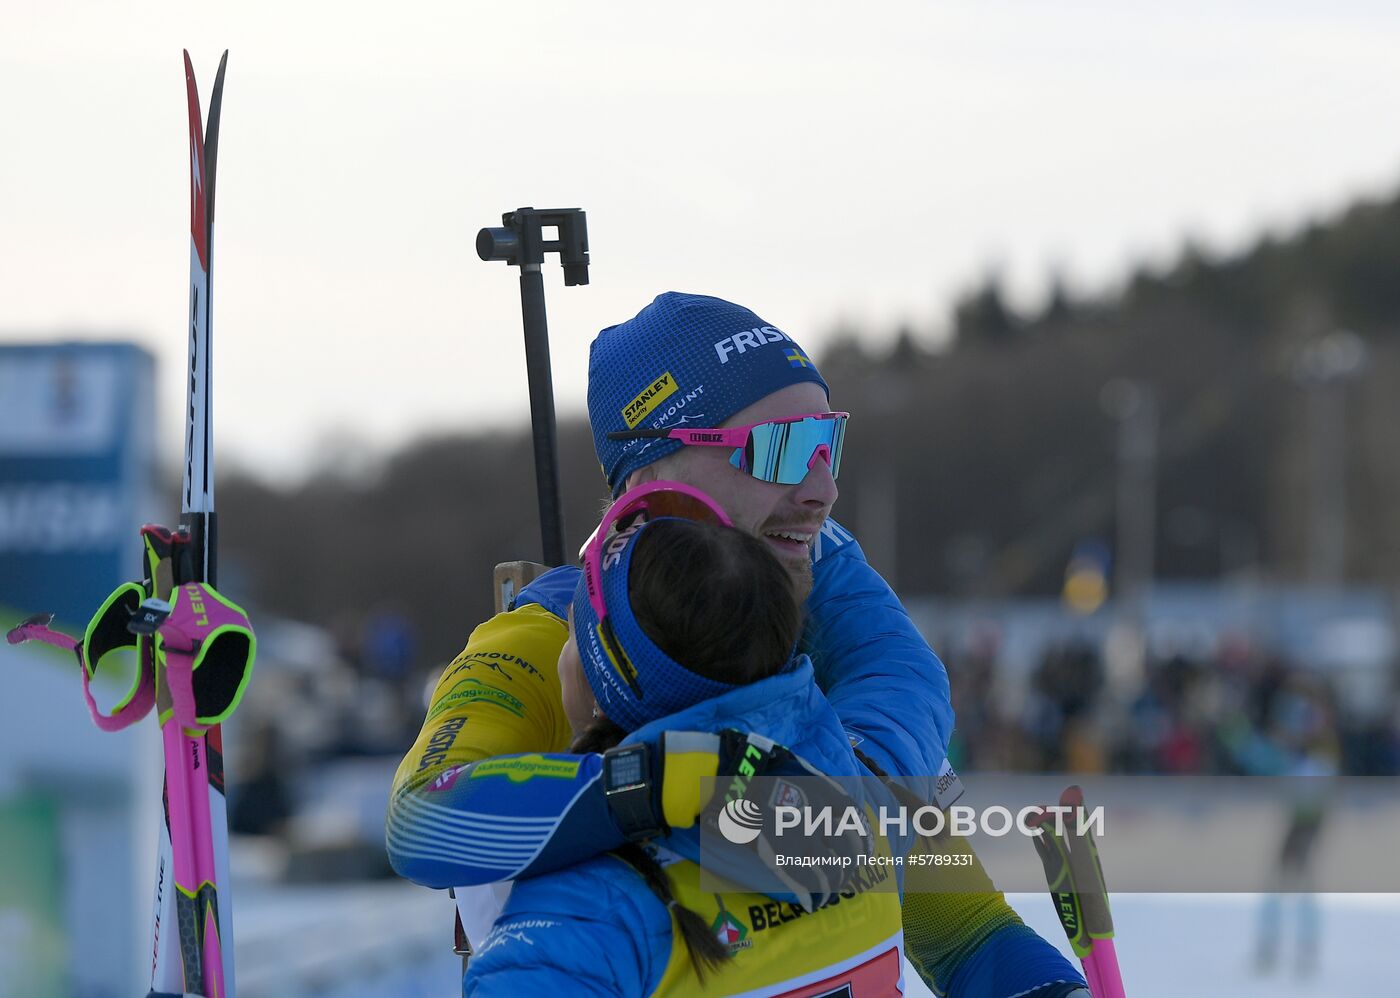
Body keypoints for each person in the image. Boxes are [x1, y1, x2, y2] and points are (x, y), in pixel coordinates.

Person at [388, 292, 1086, 996]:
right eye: (779, 450)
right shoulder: (545, 647)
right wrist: (676, 787)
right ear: (648, 480)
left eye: (827, 442)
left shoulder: (801, 640)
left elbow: (964, 931)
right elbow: (424, 823)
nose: (825, 489)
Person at [466, 494, 916, 994]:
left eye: (573, 635)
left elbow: (430, 822)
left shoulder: (581, 915)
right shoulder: (864, 811)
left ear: (605, 680)